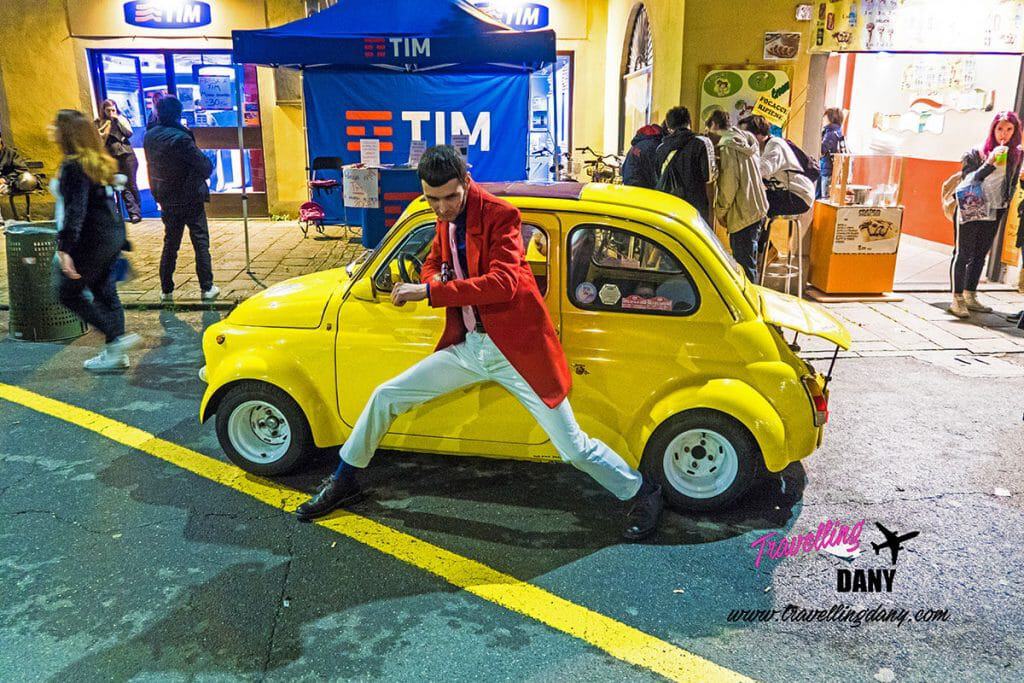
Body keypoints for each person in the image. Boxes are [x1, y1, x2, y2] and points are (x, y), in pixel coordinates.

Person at [295, 145, 665, 541]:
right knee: (386, 396)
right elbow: (433, 261)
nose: (441, 208)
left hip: (516, 352)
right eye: (432, 199)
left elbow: (503, 284)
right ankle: (344, 479)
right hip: (472, 346)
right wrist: (434, 278)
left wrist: (429, 293)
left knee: (573, 449)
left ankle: (643, 491)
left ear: (467, 183)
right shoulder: (444, 217)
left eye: (450, 197)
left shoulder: (501, 215)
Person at [51, 109, 139, 372]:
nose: (51, 131)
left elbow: (75, 210)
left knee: (66, 292)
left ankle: (117, 340)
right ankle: (115, 354)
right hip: (110, 237)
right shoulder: (97, 161)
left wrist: (66, 249)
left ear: (67, 134)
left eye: (56, 127)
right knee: (105, 294)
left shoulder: (73, 166)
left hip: (91, 241)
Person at [948, 111, 1024, 318]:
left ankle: (970, 294)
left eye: (1009, 129)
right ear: (993, 129)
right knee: (963, 253)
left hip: (995, 208)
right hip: (971, 206)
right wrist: (989, 163)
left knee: (981, 254)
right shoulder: (977, 152)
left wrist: (1008, 202)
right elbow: (968, 180)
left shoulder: (1017, 154)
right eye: (1000, 129)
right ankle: (957, 299)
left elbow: (1014, 180)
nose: (1004, 134)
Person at [143, 96, 219, 303]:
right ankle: (207, 287)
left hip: (166, 197)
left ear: (158, 113)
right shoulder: (181, 138)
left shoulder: (150, 136)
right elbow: (204, 166)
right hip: (190, 196)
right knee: (200, 241)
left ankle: (166, 289)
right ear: (178, 113)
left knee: (171, 243)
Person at [706, 110, 768, 281]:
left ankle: (750, 304)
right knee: (749, 262)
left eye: (709, 131)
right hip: (757, 208)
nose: (709, 136)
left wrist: (720, 212)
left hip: (743, 212)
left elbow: (729, 186)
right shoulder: (746, 140)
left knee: (744, 267)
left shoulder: (728, 147)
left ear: (715, 125)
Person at [655, 106, 717, 224]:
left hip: (668, 208)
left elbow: (658, 175)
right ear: (689, 122)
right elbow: (709, 178)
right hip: (695, 210)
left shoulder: (660, 148)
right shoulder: (702, 143)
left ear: (668, 127)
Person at [95, 100, 142, 223]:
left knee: (131, 184)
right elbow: (98, 140)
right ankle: (129, 214)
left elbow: (128, 133)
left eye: (113, 110)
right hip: (111, 157)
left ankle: (137, 212)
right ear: (103, 111)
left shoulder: (121, 119)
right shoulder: (99, 123)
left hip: (126, 155)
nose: (111, 112)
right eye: (108, 110)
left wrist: (116, 121)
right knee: (119, 186)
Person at [621, 122, 665, 189]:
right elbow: (653, 172)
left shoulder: (636, 146)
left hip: (630, 185)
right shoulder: (654, 146)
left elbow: (624, 168)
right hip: (643, 188)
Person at [0, 131, 40, 199]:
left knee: (27, 179)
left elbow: (21, 169)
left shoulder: (11, 154)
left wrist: (5, 179)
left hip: (8, 183)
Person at [818, 107, 847, 199]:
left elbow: (822, 149)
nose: (823, 118)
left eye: (825, 116)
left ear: (830, 118)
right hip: (831, 169)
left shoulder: (830, 133)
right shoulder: (837, 131)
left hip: (827, 170)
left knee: (824, 198)